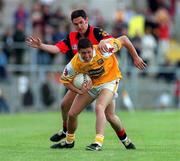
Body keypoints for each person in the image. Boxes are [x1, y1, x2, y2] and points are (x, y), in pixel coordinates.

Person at [26, 9, 112, 143]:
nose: (79, 26)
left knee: (108, 113)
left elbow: (111, 41)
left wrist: (105, 42)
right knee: (64, 105)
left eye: (81, 23)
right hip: (80, 76)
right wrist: (41, 45)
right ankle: (66, 131)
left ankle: (108, 139)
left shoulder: (97, 32)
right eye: (76, 24)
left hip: (100, 77)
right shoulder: (72, 37)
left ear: (87, 20)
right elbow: (56, 48)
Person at [53, 37, 146, 151]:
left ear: (92, 49)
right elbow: (65, 81)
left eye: (88, 52)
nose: (86, 55)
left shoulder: (104, 50)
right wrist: (79, 91)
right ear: (78, 52)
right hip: (92, 85)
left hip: (110, 82)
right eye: (83, 53)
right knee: (73, 114)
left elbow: (125, 40)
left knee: (99, 107)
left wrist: (135, 57)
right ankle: (69, 141)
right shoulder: (74, 63)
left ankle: (98, 143)